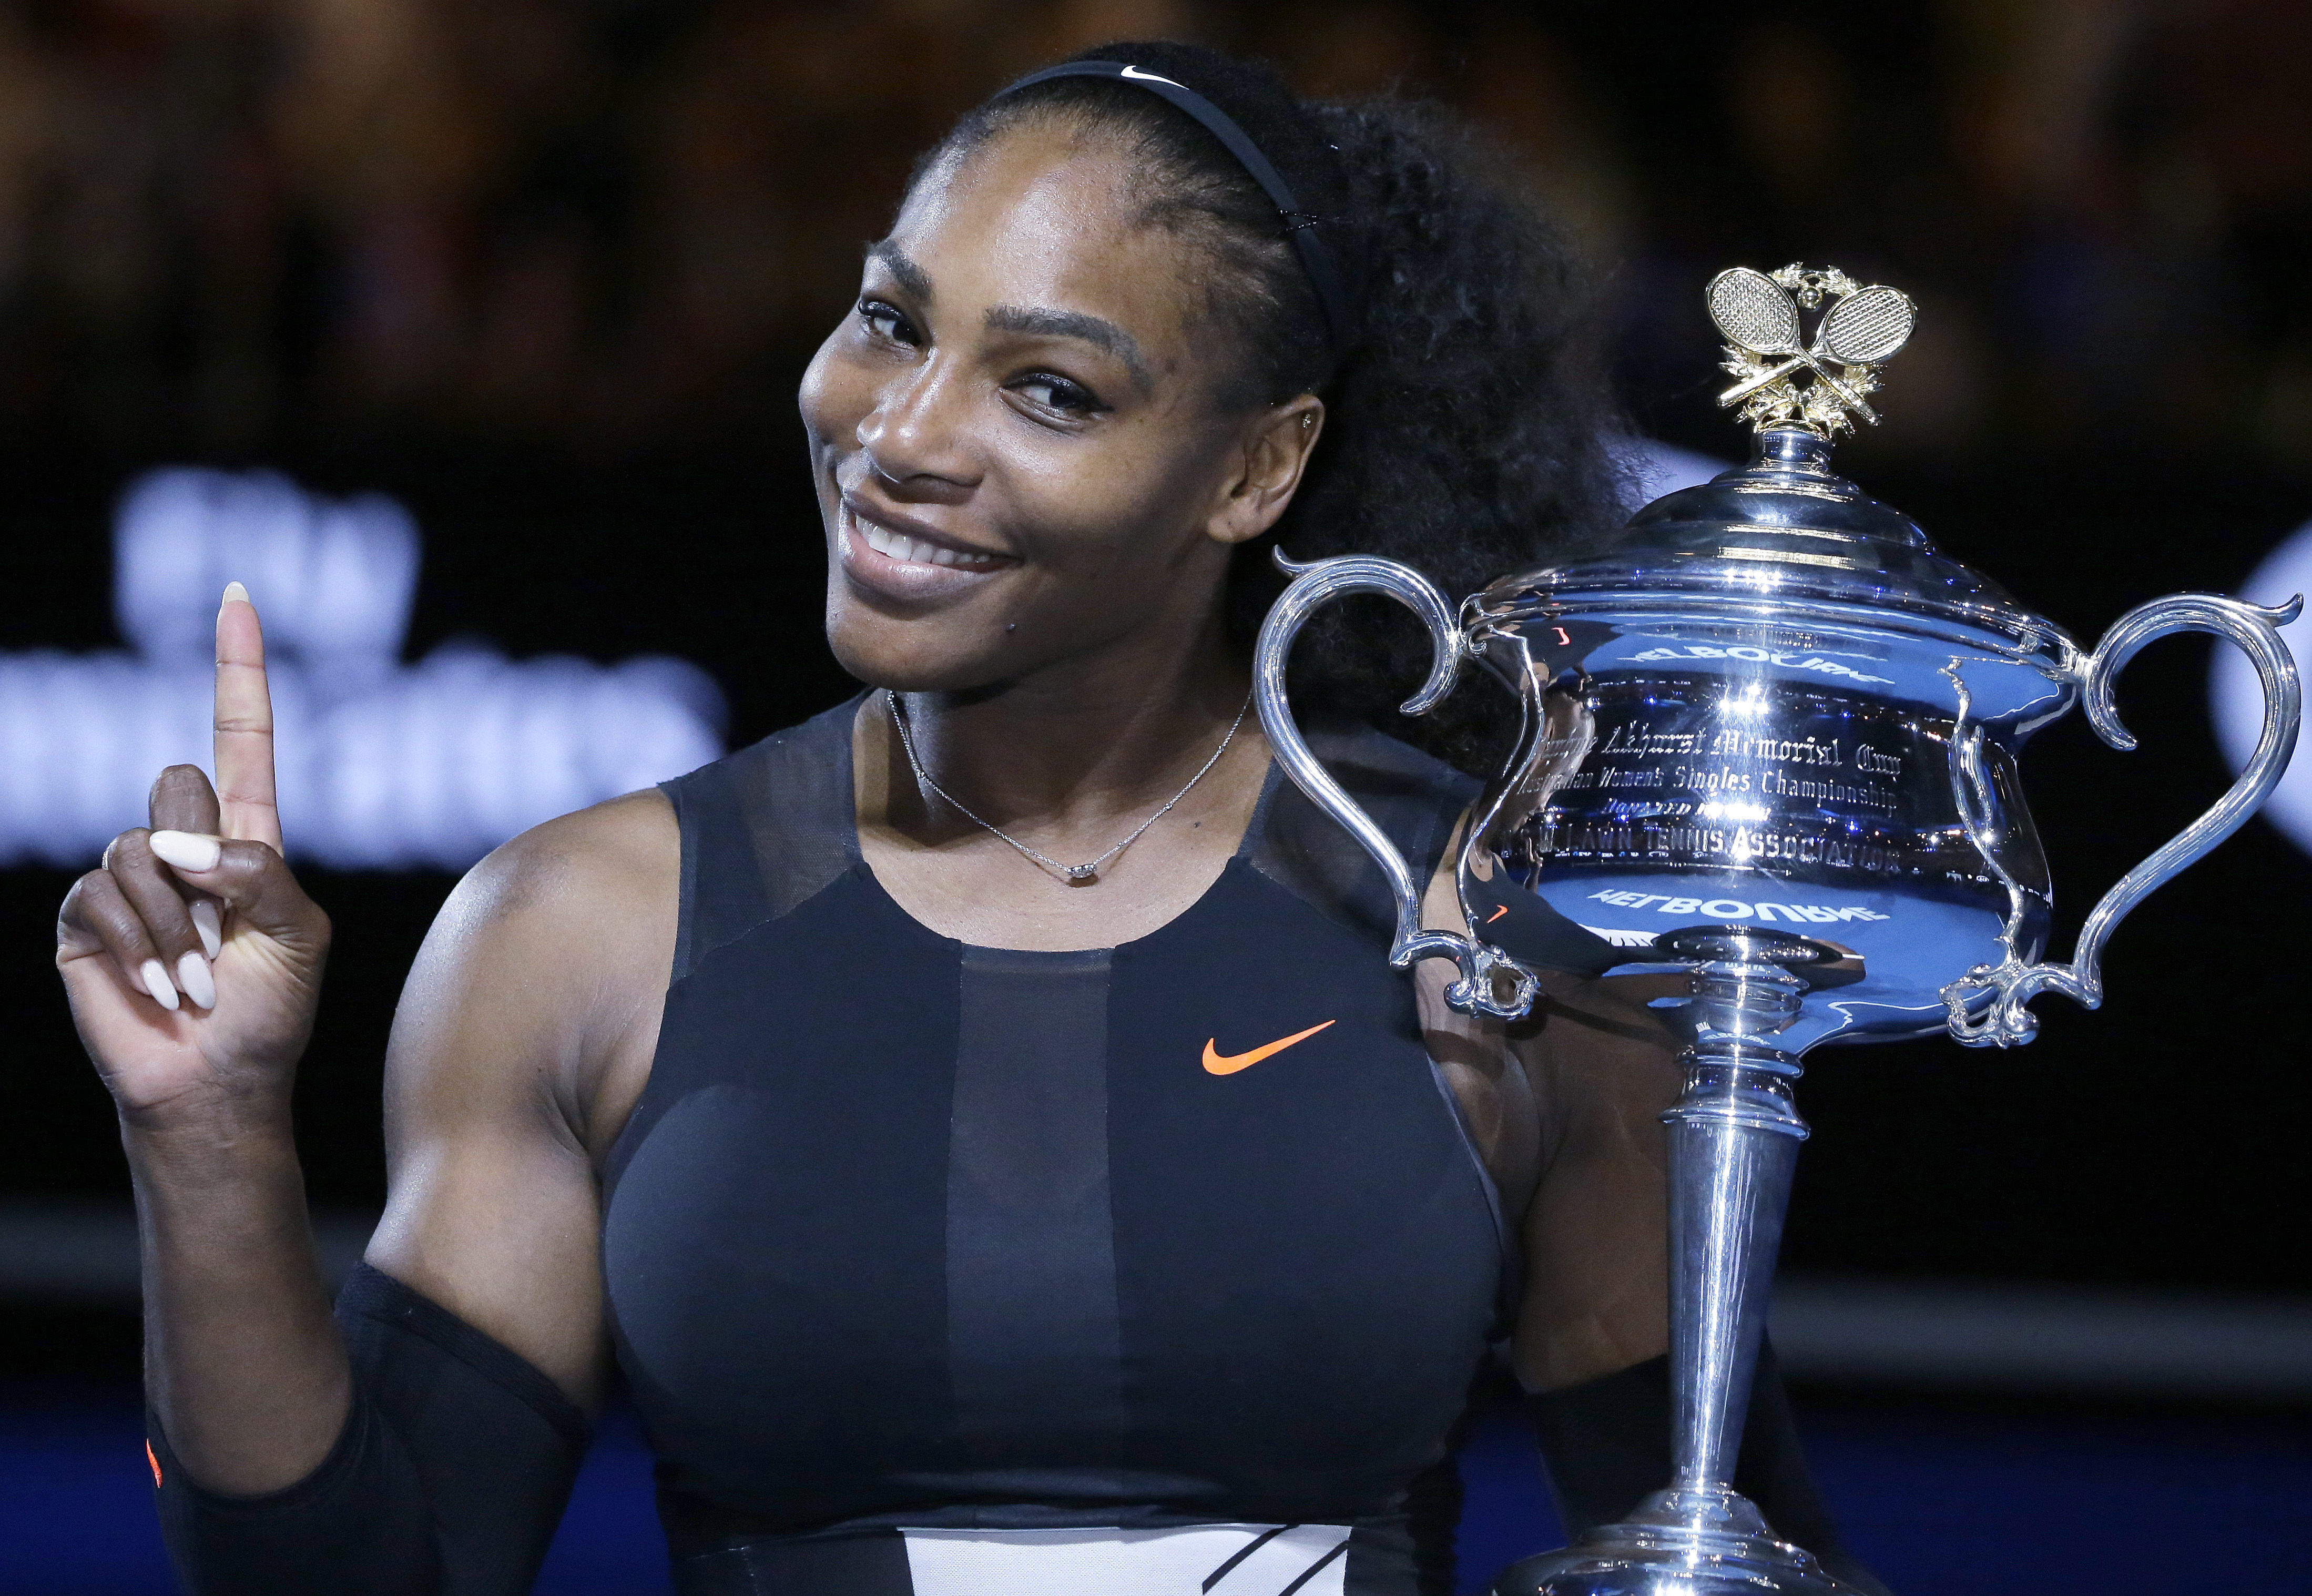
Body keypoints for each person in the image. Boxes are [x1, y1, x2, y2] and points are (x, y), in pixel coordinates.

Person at [55, 40, 1885, 1596]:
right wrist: (208, 1138)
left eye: (1051, 388)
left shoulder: (1499, 923)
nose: (901, 434)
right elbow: (373, 1572)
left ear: (1257, 468)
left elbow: (1720, 1532)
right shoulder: (574, 931)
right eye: (888, 319)